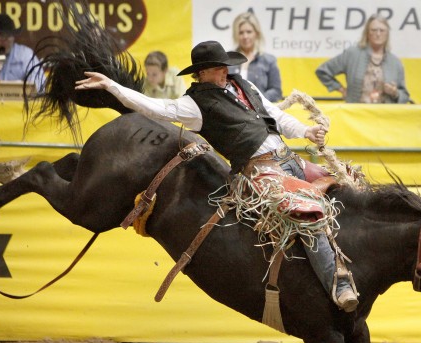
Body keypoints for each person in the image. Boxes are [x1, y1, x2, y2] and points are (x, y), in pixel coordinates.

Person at [75, 41, 358, 312]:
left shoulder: (244, 86)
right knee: (307, 213)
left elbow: (274, 115)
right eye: (217, 67)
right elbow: (154, 107)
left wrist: (305, 131)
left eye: (224, 66)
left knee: (348, 186)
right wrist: (112, 86)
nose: (225, 70)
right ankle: (339, 283)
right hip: (262, 173)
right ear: (202, 74)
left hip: (290, 160)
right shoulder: (195, 104)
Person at [315, 14, 409, 103]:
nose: (378, 34)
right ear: (367, 33)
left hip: (384, 116)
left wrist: (395, 92)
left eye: (382, 30)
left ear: (387, 33)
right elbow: (323, 71)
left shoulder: (395, 62)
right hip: (356, 115)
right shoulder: (352, 54)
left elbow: (405, 96)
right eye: (374, 30)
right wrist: (341, 90)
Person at [227, 12, 282, 102]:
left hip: (260, 112)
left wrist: (257, 100)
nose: (245, 36)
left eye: (249, 32)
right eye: (241, 33)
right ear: (236, 35)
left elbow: (276, 92)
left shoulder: (269, 60)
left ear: (256, 33)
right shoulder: (228, 59)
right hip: (232, 111)